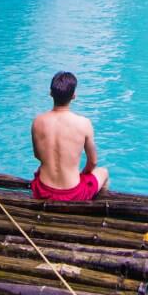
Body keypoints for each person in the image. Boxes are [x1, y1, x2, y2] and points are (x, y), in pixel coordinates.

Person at [30, 70, 110, 202]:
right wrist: (81, 175)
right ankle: (96, 209)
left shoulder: (37, 121)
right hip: (74, 194)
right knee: (104, 172)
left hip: (43, 190)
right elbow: (93, 162)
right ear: (74, 95)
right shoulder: (84, 123)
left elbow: (38, 156)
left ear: (51, 93)